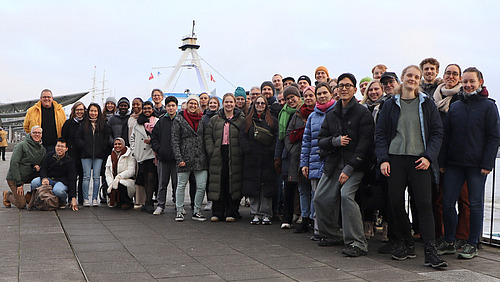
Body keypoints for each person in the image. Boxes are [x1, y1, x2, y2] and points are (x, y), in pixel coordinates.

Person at [375, 65, 447, 267]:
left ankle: (430, 251)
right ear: (402, 78)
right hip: (395, 159)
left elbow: (437, 133)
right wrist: (383, 159)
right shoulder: (390, 105)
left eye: (417, 76)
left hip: (419, 160)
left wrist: (429, 157)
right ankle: (406, 242)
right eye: (409, 76)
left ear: (419, 79)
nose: (413, 79)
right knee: (395, 203)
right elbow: (380, 134)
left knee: (424, 205)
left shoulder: (426, 104)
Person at [440, 67, 500, 259]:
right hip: (453, 164)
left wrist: (487, 163)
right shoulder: (455, 106)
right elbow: (446, 137)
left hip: (477, 166)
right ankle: (449, 241)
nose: (467, 85)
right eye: (464, 81)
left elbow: (494, 137)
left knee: (475, 205)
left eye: (471, 81)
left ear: (480, 82)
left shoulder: (489, 106)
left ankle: (472, 244)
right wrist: (442, 162)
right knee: (448, 203)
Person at [314, 73, 374, 257]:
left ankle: (357, 242)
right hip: (333, 164)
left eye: (348, 85)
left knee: (346, 196)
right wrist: (335, 141)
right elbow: (321, 140)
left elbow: (365, 145)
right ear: (336, 90)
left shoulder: (363, 113)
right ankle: (331, 235)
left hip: (355, 166)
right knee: (320, 198)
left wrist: (349, 169)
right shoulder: (331, 115)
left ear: (355, 90)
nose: (344, 88)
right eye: (341, 85)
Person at [432, 64, 470, 251]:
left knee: (464, 200)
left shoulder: (463, 98)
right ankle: (443, 236)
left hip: (459, 157)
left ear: (460, 77)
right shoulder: (435, 97)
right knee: (440, 200)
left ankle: (462, 236)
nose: (451, 76)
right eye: (448, 73)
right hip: (439, 156)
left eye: (455, 74)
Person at [300, 83, 336, 239]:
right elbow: (306, 141)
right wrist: (304, 163)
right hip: (314, 162)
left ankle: (330, 230)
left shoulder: (337, 112)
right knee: (316, 197)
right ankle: (318, 230)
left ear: (330, 94)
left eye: (324, 93)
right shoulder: (312, 116)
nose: (322, 96)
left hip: (332, 162)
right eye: (319, 93)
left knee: (330, 199)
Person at [205, 93, 245, 222]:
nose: (228, 104)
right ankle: (217, 212)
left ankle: (231, 212)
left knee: (232, 182)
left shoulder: (241, 119)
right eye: (226, 102)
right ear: (223, 103)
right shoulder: (215, 119)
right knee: (218, 182)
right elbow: (208, 136)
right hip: (219, 153)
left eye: (231, 102)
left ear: (234, 103)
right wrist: (211, 151)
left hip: (235, 154)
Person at [239, 95, 278, 225]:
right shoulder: (247, 121)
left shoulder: (272, 121)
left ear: (266, 105)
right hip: (252, 159)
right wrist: (248, 149)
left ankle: (266, 213)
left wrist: (271, 151)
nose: (260, 105)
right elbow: (242, 137)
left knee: (266, 187)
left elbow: (276, 137)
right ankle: (255, 213)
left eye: (262, 103)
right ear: (254, 105)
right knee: (253, 187)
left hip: (267, 159)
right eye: (257, 103)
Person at [171, 95, 208, 222]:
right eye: (190, 103)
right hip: (184, 157)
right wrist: (178, 158)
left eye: (195, 103)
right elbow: (175, 141)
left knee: (202, 185)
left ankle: (197, 210)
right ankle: (179, 211)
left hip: (200, 157)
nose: (193, 106)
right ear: (187, 104)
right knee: (181, 185)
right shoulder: (179, 119)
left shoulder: (202, 119)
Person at [284, 85, 316, 231]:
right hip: (298, 157)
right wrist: (292, 150)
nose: (309, 98)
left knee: (314, 190)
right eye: (307, 96)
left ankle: (314, 220)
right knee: (302, 189)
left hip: (315, 156)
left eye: (311, 95)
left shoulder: (320, 112)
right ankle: (304, 218)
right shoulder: (297, 114)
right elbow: (288, 134)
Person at [277, 86, 304, 229]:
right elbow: (281, 137)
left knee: (303, 187)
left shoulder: (304, 111)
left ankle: (302, 215)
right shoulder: (283, 113)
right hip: (288, 154)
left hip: (303, 153)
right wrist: (278, 156)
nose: (290, 100)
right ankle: (287, 217)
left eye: (292, 97)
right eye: (287, 99)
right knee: (288, 187)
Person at [76, 103, 112, 207]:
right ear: (88, 112)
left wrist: (101, 147)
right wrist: (84, 146)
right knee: (86, 177)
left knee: (96, 177)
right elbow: (78, 137)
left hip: (99, 155)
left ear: (98, 112)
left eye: (95, 111)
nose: (93, 113)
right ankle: (86, 198)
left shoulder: (103, 124)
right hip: (85, 155)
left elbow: (106, 138)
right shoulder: (83, 124)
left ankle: (95, 198)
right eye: (91, 111)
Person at [3, 126, 45, 209]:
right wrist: (18, 184)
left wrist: (37, 166)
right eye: (34, 132)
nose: (37, 134)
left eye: (39, 133)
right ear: (30, 133)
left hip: (28, 176)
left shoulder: (42, 149)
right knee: (21, 204)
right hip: (15, 179)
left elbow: (42, 164)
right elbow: (14, 164)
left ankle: (28, 196)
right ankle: (7, 195)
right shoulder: (21, 146)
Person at [31, 138, 77, 210]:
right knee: (35, 182)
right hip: (50, 179)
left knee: (58, 190)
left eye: (62, 147)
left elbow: (72, 178)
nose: (59, 149)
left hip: (62, 181)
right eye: (58, 146)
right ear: (55, 147)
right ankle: (36, 201)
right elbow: (43, 169)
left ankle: (62, 201)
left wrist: (73, 197)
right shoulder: (49, 156)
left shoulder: (69, 160)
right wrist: (44, 178)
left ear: (66, 149)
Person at [151, 96, 179, 215]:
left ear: (176, 107)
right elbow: (154, 138)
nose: (171, 108)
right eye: (168, 106)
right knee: (162, 183)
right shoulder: (161, 121)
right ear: (166, 107)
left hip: (177, 159)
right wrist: (159, 149)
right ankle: (160, 204)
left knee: (177, 184)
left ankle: (178, 204)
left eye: (173, 105)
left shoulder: (181, 120)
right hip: (163, 158)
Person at [130, 101, 158, 213]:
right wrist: (134, 150)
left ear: (152, 109)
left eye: (149, 108)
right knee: (144, 178)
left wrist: (153, 141)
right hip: (141, 155)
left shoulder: (157, 121)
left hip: (152, 154)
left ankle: (149, 202)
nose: (147, 110)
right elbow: (132, 137)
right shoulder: (138, 123)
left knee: (151, 178)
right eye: (145, 108)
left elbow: (161, 136)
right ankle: (145, 202)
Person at [23, 89, 66, 153]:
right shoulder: (32, 111)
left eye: (48, 97)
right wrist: (35, 137)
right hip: (38, 146)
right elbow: (26, 126)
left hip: (55, 146)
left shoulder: (60, 110)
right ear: (40, 98)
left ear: (52, 98)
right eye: (44, 97)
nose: (46, 99)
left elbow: (64, 126)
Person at [62, 102, 86, 204]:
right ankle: (71, 197)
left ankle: (81, 198)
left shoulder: (87, 123)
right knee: (72, 177)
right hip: (72, 154)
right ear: (74, 111)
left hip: (84, 154)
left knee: (83, 177)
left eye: (81, 109)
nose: (79, 112)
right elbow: (64, 138)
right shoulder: (68, 124)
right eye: (77, 110)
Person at [201, 96, 221, 211]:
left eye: (215, 103)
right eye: (211, 103)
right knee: (208, 177)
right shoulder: (204, 118)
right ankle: (209, 200)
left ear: (218, 105)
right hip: (207, 151)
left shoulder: (221, 116)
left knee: (217, 176)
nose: (213, 105)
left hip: (219, 150)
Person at [105, 137, 136, 209]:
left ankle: (126, 202)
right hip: (113, 181)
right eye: (115, 144)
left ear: (123, 145)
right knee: (111, 186)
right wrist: (111, 183)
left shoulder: (130, 156)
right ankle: (116, 201)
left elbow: (132, 171)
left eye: (119, 144)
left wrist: (119, 177)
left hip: (127, 180)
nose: (117, 146)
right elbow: (108, 173)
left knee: (121, 184)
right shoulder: (110, 157)